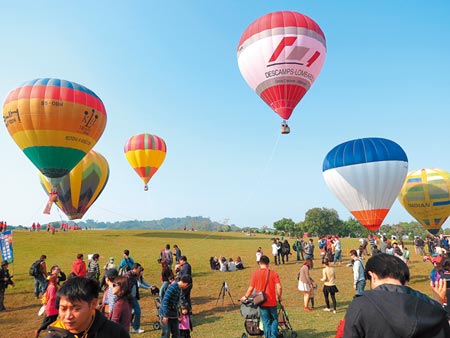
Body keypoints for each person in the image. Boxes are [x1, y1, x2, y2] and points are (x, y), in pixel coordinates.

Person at [342, 253, 450, 338]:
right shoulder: (432, 308)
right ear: (405, 280)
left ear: (372, 275)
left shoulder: (361, 304)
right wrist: (437, 304)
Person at [43, 276, 130, 338]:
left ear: (93, 304)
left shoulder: (116, 333)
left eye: (76, 309)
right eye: (63, 309)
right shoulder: (53, 336)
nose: (68, 316)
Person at [240, 255, 282, 338]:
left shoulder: (255, 274)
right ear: (268, 263)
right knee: (274, 320)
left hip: (262, 302)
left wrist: (245, 297)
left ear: (259, 263)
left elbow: (251, 288)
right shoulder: (273, 273)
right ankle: (273, 336)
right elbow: (279, 287)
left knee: (266, 322)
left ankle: (267, 336)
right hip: (272, 301)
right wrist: (279, 296)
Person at [125, 263, 145, 334]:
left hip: (133, 297)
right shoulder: (128, 275)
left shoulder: (134, 275)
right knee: (136, 311)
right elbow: (126, 286)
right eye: (139, 269)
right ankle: (133, 328)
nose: (139, 270)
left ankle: (134, 328)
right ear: (135, 268)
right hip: (129, 298)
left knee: (135, 312)